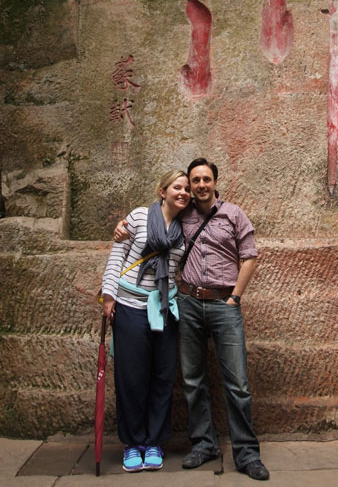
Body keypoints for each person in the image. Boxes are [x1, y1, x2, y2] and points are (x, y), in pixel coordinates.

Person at [115, 158, 269, 481]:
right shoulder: (183, 214)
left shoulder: (233, 214)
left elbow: (250, 256)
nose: (198, 186)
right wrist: (122, 225)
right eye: (194, 180)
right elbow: (156, 216)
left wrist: (234, 298)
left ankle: (246, 453)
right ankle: (203, 443)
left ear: (215, 182)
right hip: (186, 302)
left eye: (205, 180)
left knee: (237, 383)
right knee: (193, 379)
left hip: (223, 305)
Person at [102, 169, 190, 472]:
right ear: (162, 190)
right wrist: (108, 295)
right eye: (176, 187)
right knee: (131, 377)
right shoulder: (138, 217)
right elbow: (117, 256)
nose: (183, 192)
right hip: (129, 306)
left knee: (163, 377)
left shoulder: (186, 227)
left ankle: (154, 442)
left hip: (165, 307)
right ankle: (132, 443)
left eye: (186, 189)